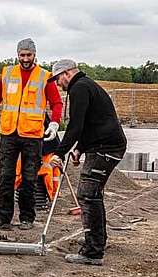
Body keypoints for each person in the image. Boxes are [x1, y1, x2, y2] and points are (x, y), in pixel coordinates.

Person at [48, 59, 127, 266]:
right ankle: (97, 240)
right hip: (105, 147)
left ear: (66, 74)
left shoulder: (79, 88)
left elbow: (76, 125)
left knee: (87, 195)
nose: (57, 84)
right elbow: (89, 123)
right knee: (92, 195)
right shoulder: (86, 85)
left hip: (105, 149)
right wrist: (79, 149)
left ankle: (93, 251)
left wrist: (60, 153)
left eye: (57, 79)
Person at [0, 38, 63, 230]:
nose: (25, 58)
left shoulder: (45, 76)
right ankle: (2, 218)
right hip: (9, 133)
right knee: (6, 177)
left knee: (29, 178)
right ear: (17, 55)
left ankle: (27, 218)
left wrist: (54, 123)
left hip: (33, 134)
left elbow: (57, 103)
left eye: (29, 55)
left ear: (34, 55)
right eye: (22, 55)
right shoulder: (8, 73)